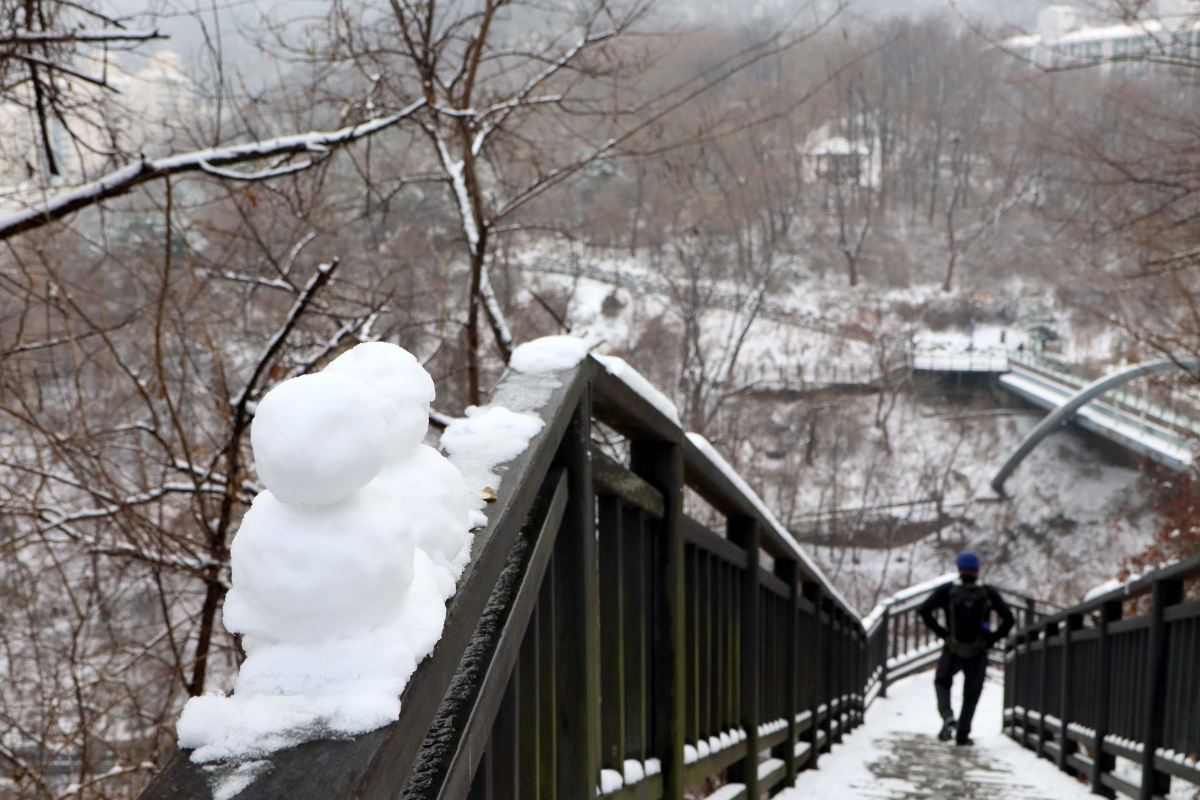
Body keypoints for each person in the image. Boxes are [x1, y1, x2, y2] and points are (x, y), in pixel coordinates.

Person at [917, 551, 1015, 746]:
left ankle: (947, 716)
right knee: (972, 693)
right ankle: (962, 735)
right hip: (978, 651)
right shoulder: (987, 592)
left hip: (952, 648)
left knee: (942, 681)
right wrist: (991, 639)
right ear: (977, 570)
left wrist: (943, 633)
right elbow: (1009, 619)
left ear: (959, 569)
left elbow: (923, 610)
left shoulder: (948, 590)